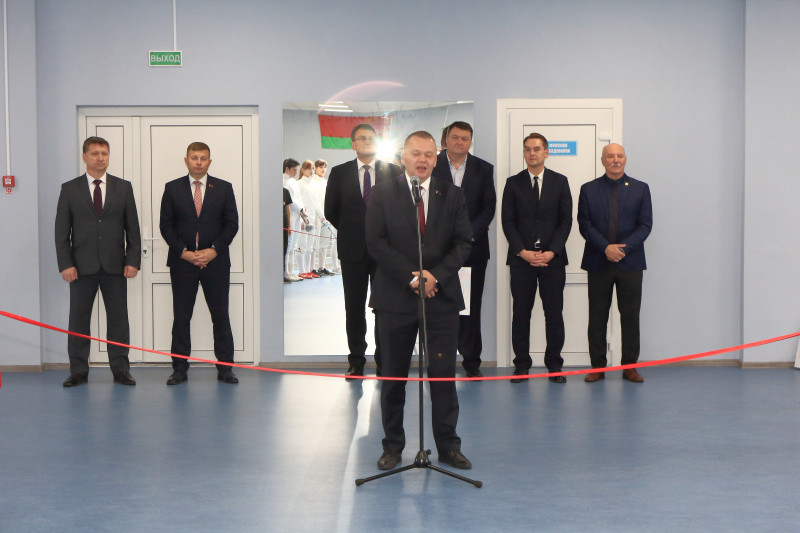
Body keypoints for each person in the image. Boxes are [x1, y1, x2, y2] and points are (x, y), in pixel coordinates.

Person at [366, 131, 473, 470]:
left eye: (428, 154)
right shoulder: (382, 193)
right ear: (403, 157)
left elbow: (463, 242)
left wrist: (434, 276)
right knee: (393, 376)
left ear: (436, 158)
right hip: (394, 299)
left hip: (441, 299)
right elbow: (376, 242)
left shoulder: (452, 194)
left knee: (442, 376)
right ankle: (392, 446)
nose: (422, 160)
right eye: (416, 153)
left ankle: (448, 446)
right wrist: (412, 278)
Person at [55, 136, 141, 387]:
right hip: (80, 268)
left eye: (104, 153)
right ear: (84, 157)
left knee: (118, 321)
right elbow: (61, 232)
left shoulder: (123, 188)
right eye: (95, 153)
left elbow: (132, 229)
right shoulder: (69, 189)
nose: (100, 158)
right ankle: (78, 372)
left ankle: (121, 370)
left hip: (116, 266)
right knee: (78, 321)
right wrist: (66, 264)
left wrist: (133, 260)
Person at [324, 124, 401, 379]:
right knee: (354, 308)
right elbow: (331, 210)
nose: (367, 141)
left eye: (371, 138)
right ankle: (356, 361)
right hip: (352, 251)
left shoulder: (394, 171)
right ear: (353, 144)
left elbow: (400, 211)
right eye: (362, 138)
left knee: (384, 308)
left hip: (385, 253)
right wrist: (355, 231)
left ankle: (384, 361)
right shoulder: (339, 172)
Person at [159, 142, 240, 385]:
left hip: (216, 263)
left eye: (203, 158)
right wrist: (184, 253)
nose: (198, 162)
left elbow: (231, 224)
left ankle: (225, 368)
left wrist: (214, 251)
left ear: (209, 162)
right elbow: (166, 226)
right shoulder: (172, 188)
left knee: (220, 316)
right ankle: (179, 368)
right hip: (182, 263)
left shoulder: (224, 188)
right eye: (194, 157)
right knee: (181, 317)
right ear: (186, 160)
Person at [577, 143, 652, 383]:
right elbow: (584, 224)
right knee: (597, 317)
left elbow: (645, 225)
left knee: (630, 317)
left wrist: (623, 249)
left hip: (631, 263)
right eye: (610, 156)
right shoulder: (588, 189)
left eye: (619, 155)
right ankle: (597, 367)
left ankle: (630, 367)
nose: (615, 160)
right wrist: (606, 247)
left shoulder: (641, 189)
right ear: (603, 160)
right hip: (598, 262)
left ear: (625, 159)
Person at [502, 133, 572, 383]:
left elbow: (566, 221)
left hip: (553, 261)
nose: (532, 153)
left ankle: (554, 366)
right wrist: (522, 251)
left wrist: (552, 252)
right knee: (521, 314)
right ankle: (521, 365)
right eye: (527, 149)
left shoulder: (560, 182)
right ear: (524, 153)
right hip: (522, 260)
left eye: (537, 149)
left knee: (554, 314)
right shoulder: (513, 183)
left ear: (546, 152)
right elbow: (507, 222)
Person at [432, 121, 496, 378]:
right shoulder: (432, 164)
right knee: (439, 308)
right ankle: (441, 361)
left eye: (465, 138)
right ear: (446, 139)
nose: (459, 142)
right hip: (438, 252)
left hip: (473, 249)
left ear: (470, 141)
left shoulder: (483, 168)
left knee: (470, 307)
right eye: (455, 137)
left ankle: (471, 361)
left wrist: (467, 236)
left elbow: (488, 208)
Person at [283, 158, 308, 282]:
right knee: (288, 246)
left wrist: (303, 213)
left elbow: (299, 198)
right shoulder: (283, 182)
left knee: (294, 246)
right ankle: (286, 273)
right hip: (290, 215)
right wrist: (301, 210)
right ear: (287, 168)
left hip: (298, 215)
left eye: (297, 170)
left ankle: (291, 272)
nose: (295, 172)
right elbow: (290, 201)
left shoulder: (293, 182)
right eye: (294, 170)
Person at [311, 159, 334, 276]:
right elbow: (314, 202)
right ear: (315, 168)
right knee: (314, 243)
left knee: (324, 243)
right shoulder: (312, 182)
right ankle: (312, 268)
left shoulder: (326, 183)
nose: (323, 169)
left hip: (326, 217)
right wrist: (320, 216)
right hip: (315, 217)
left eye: (324, 167)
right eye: (320, 167)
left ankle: (321, 267)